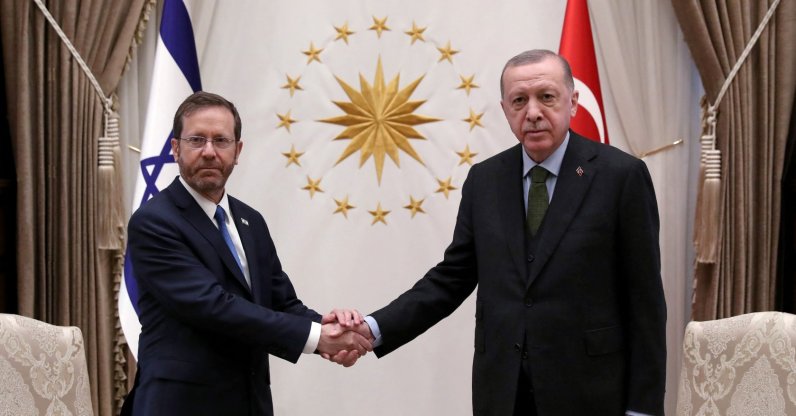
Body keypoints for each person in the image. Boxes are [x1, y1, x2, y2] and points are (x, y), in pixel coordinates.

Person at [357, 50, 667, 415]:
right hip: (503, 394)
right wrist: (372, 328)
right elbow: (450, 279)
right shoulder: (484, 180)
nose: (533, 112)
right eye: (519, 100)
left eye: (546, 97)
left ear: (573, 102)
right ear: (505, 110)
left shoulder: (621, 176)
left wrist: (643, 409)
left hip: (591, 394)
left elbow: (645, 302)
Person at [121, 91, 371, 416]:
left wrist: (329, 324)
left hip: (249, 403)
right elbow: (212, 306)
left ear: (237, 151)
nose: (209, 152)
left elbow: (281, 303)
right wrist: (317, 337)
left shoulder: (250, 220)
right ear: (175, 148)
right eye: (197, 139)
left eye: (221, 141)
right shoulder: (154, 221)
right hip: (179, 404)